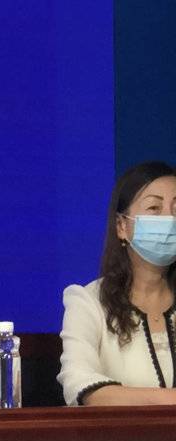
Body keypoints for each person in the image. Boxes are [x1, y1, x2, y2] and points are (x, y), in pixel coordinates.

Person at [59, 161, 176, 406]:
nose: (169, 218)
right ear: (122, 226)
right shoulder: (88, 302)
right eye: (154, 208)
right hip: (120, 432)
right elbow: (79, 384)